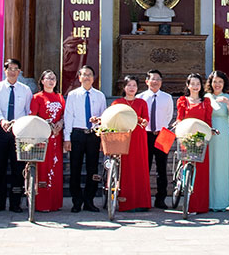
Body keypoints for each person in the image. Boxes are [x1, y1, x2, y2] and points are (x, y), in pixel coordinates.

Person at [0, 58, 32, 213]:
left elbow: (28, 110)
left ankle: (15, 203)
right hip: (0, 130)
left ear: (19, 72)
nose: (12, 71)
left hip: (18, 131)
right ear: (4, 70)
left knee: (17, 168)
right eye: (9, 68)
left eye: (15, 69)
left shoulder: (25, 90)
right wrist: (2, 121)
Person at [63, 65, 105, 212]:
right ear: (79, 78)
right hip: (77, 134)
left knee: (92, 169)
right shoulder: (73, 95)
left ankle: (89, 200)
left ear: (94, 78)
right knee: (75, 168)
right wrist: (66, 138)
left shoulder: (100, 95)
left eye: (90, 74)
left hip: (93, 135)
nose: (87, 77)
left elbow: (104, 117)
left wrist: (99, 121)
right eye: (84, 75)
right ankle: (76, 201)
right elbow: (68, 117)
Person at [175, 72, 213, 215]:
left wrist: (211, 130)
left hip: (201, 139)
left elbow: (208, 121)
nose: (195, 86)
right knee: (188, 169)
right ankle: (187, 203)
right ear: (188, 85)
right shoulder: (183, 101)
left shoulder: (206, 102)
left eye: (198, 84)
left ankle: (200, 205)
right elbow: (180, 118)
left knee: (201, 173)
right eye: (193, 84)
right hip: (186, 137)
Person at [113, 75, 151, 211]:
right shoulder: (117, 103)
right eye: (129, 85)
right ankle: (126, 202)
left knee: (140, 168)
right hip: (124, 137)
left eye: (134, 85)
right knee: (126, 168)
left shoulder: (142, 103)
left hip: (139, 137)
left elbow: (146, 118)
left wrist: (144, 121)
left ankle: (142, 202)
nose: (131, 88)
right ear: (124, 87)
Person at [138, 69, 173, 209]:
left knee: (162, 168)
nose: (155, 81)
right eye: (153, 79)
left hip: (162, 134)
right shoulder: (140, 97)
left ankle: (161, 198)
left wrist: (162, 128)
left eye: (158, 79)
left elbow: (169, 115)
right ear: (147, 81)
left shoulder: (167, 97)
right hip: (145, 134)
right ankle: (143, 198)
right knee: (144, 167)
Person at [30, 70, 66, 212]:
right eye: (48, 78)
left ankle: (54, 202)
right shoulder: (37, 97)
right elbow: (33, 117)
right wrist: (47, 124)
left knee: (55, 168)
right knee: (43, 169)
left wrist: (61, 123)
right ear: (42, 81)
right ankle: (41, 203)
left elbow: (64, 115)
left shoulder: (60, 97)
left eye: (54, 79)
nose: (51, 81)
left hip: (56, 137)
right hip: (42, 138)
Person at [205, 70, 229, 211]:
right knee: (208, 167)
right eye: (215, 81)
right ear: (210, 83)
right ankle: (206, 201)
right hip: (207, 133)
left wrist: (228, 103)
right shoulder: (206, 97)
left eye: (220, 82)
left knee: (222, 168)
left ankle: (221, 202)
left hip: (223, 135)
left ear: (224, 83)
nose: (217, 84)